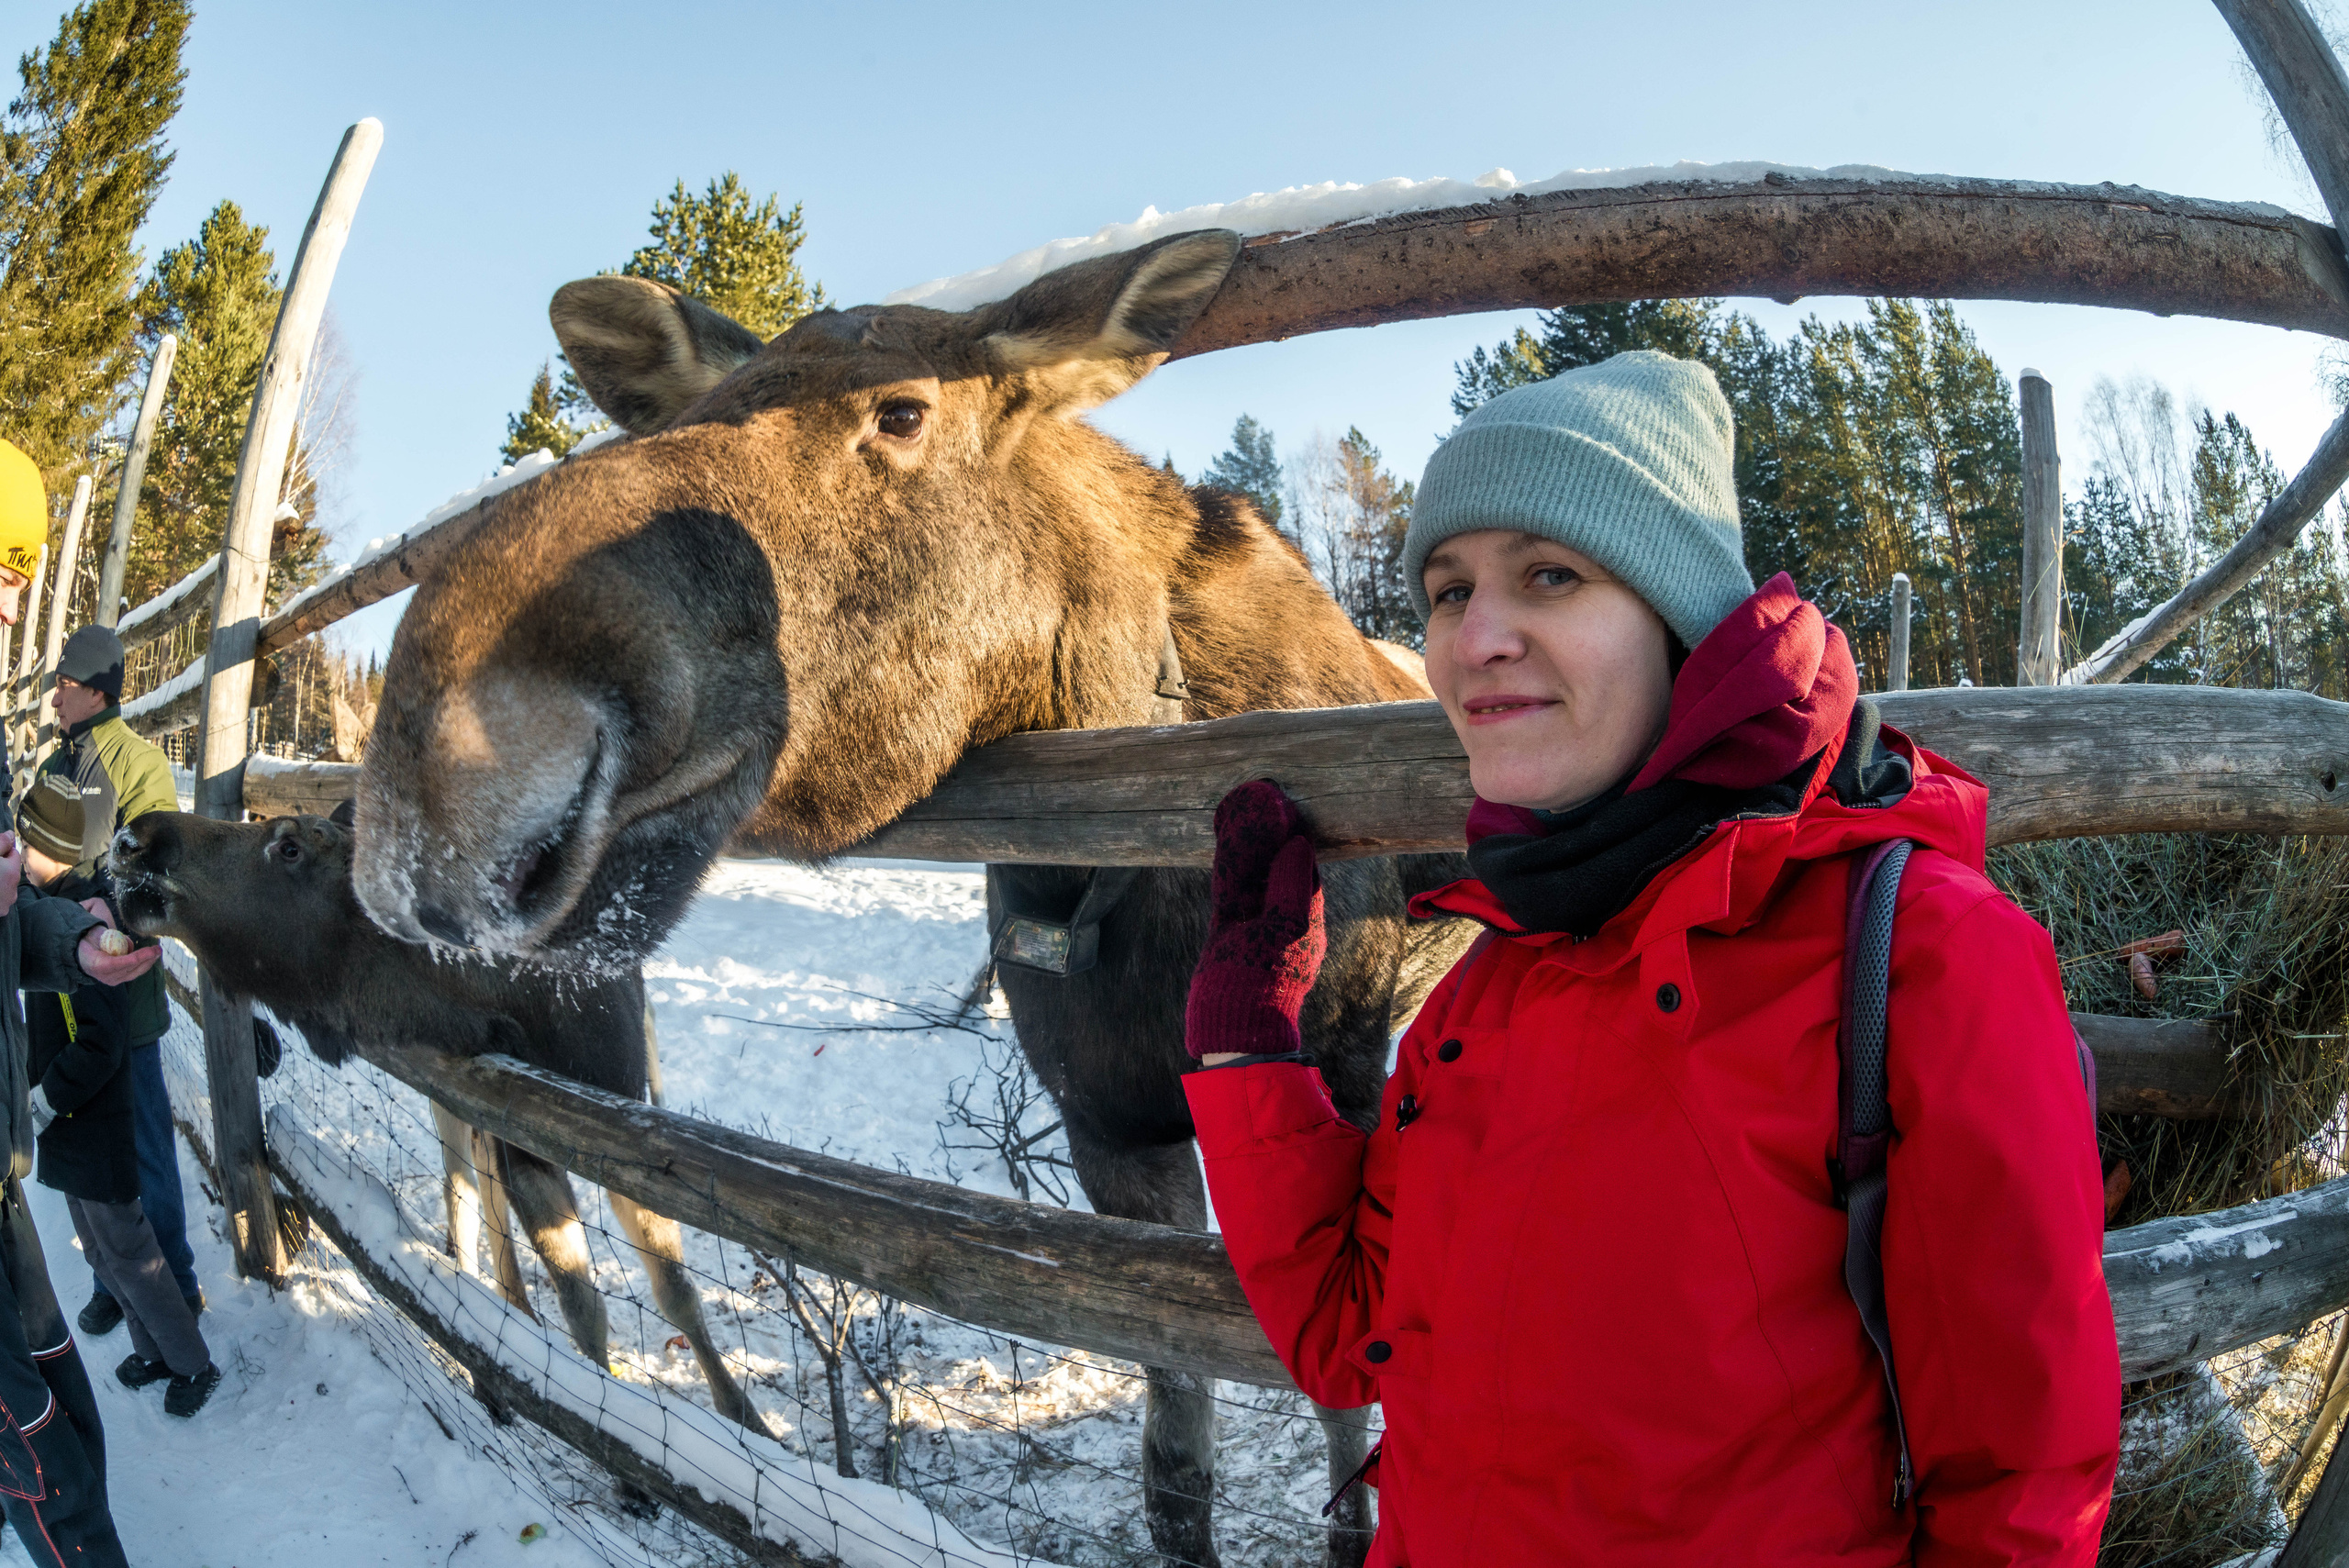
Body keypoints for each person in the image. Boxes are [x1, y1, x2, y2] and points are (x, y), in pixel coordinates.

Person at [1181, 354, 2120, 1564]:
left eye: (1550, 575)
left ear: (1685, 621)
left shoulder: (1921, 955)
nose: (1475, 639)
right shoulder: (1492, 982)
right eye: (1449, 589)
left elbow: (2022, 1491)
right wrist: (1246, 1043)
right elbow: (1353, 1329)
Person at [0, 437, 158, 1566]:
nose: (15, 607)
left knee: (67, 1438)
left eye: (21, 572)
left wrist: (73, 940)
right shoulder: (65, 755)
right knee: (58, 1487)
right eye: (0, 569)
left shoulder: (102, 758)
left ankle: (168, 1328)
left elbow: (40, 893)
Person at [17, 773, 216, 1417]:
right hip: (67, 1124)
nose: (18, 853)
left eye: (25, 843)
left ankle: (192, 1362)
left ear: (50, 848)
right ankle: (151, 1348)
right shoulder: (49, 907)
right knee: (102, 1250)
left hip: (92, 1119)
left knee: (129, 1251)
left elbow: (100, 1043)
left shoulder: (89, 919)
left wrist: (47, 1097)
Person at [39, 622, 200, 1335]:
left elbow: (157, 870)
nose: (54, 699)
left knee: (143, 1153)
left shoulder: (137, 762)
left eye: (64, 686)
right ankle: (117, 1280)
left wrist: (93, 900)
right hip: (62, 995)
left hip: (122, 999)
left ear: (97, 691)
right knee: (88, 1150)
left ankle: (178, 1290)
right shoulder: (56, 761)